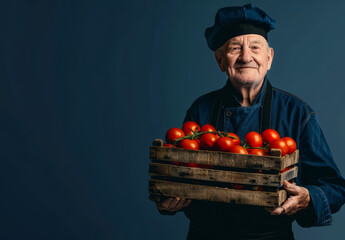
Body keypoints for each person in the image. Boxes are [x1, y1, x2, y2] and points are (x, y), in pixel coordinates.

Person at [156, 4, 345, 240]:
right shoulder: (200, 109)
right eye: (235, 48)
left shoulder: (298, 112)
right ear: (220, 60)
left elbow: (335, 188)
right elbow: (175, 175)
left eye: (255, 47)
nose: (246, 57)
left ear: (269, 58)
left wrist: (308, 198)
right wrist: (167, 201)